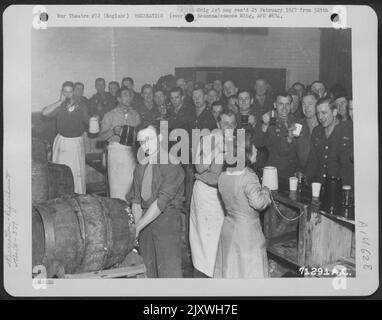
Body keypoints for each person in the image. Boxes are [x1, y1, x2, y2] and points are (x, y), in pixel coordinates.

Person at [127, 122, 185, 278]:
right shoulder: (140, 167)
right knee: (147, 271)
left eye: (149, 139)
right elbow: (136, 201)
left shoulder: (172, 164)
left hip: (167, 221)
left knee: (168, 274)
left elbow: (161, 203)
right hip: (145, 222)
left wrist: (137, 227)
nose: (145, 145)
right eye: (141, 141)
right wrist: (137, 232)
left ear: (159, 138)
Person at [214, 130, 271, 278]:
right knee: (249, 274)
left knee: (231, 271)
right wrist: (266, 191)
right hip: (247, 233)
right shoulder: (248, 176)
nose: (256, 149)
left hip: (228, 228)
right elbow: (258, 203)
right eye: (253, 147)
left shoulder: (223, 176)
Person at [41, 81, 89, 194]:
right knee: (61, 172)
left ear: (74, 92)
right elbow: (44, 113)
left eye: (70, 91)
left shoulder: (81, 105)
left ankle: (78, 196)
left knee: (77, 173)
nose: (67, 94)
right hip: (62, 143)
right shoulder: (60, 106)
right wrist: (59, 101)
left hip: (76, 143)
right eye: (65, 91)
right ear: (62, 92)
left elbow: (89, 122)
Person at [190, 130, 225, 277]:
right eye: (224, 123)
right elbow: (199, 166)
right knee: (202, 242)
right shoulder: (207, 140)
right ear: (217, 124)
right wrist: (217, 148)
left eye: (231, 123)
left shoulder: (236, 141)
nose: (227, 126)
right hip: (205, 193)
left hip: (222, 195)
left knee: (218, 240)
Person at [98, 87, 141, 199]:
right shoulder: (109, 115)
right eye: (125, 95)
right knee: (117, 188)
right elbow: (100, 137)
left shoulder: (135, 114)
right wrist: (113, 131)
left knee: (131, 186)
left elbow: (139, 135)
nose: (129, 97)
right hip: (115, 154)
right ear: (118, 98)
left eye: (130, 95)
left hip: (131, 153)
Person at [255, 92, 300, 179]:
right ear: (275, 105)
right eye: (281, 104)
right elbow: (258, 143)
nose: (284, 108)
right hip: (274, 173)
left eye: (287, 104)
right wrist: (264, 125)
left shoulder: (296, 121)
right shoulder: (269, 119)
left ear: (291, 105)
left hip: (292, 172)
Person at [305, 97, 340, 184]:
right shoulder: (317, 131)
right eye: (318, 113)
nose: (320, 117)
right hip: (318, 184)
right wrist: (306, 182)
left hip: (337, 185)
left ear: (334, 112)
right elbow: (312, 161)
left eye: (324, 113)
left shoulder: (344, 131)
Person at [296, 90, 319, 170]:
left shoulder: (324, 125)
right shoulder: (298, 125)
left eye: (310, 104)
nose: (306, 107)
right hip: (303, 172)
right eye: (303, 104)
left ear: (317, 105)